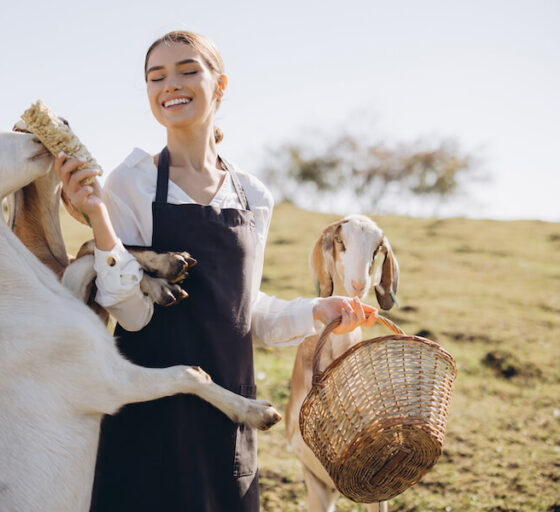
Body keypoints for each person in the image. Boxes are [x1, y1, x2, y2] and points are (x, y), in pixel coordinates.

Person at [56, 30, 377, 512]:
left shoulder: (253, 196)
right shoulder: (132, 182)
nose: (170, 85)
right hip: (147, 416)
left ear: (220, 86)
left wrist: (318, 309)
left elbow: (246, 311)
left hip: (228, 417)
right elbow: (133, 316)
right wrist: (100, 217)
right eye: (156, 76)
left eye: (188, 70)